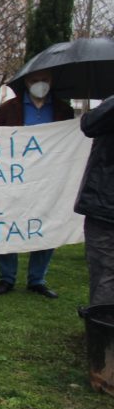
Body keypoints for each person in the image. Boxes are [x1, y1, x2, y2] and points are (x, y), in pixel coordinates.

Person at [0, 69, 73, 298]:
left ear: (52, 81)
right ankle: (7, 278)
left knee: (46, 225)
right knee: (7, 225)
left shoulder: (64, 110)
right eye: (35, 80)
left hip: (48, 180)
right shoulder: (8, 109)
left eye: (45, 80)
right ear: (26, 82)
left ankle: (37, 279)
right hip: (13, 178)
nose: (40, 84)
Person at [75, 94, 114, 309]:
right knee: (105, 274)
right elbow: (90, 124)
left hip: (104, 204)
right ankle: (103, 335)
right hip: (105, 206)